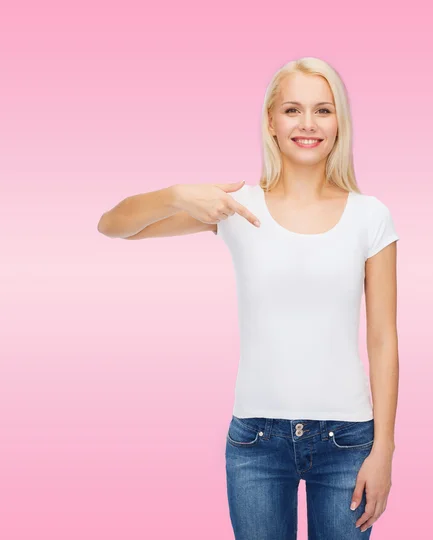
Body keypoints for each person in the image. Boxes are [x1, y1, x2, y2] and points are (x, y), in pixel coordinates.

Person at [98, 57, 399, 539]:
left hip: (347, 442)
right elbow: (113, 225)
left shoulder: (371, 216)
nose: (307, 124)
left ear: (340, 122)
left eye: (323, 110)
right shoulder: (237, 206)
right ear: (271, 122)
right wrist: (178, 194)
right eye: (292, 110)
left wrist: (383, 450)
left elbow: (383, 339)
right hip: (257, 441)